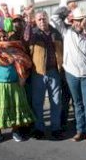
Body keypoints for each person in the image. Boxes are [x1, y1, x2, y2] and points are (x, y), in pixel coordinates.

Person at [51, 6, 86, 143]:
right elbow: (54, 17)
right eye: (76, 20)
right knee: (78, 104)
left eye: (81, 20)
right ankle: (80, 131)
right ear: (72, 20)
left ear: (85, 20)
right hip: (71, 74)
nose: (78, 22)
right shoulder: (66, 31)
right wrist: (66, 9)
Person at [29, 11, 63, 140]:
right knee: (38, 102)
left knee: (56, 101)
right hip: (38, 72)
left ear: (48, 19)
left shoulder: (56, 33)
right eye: (39, 19)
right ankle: (39, 128)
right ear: (36, 22)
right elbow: (29, 51)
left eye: (44, 18)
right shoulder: (33, 34)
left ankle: (56, 128)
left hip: (54, 71)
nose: (42, 21)